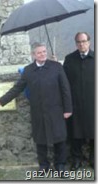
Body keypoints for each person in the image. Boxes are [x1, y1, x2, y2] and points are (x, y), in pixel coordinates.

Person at [0, 42, 72, 177]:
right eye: (39, 52)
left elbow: (65, 89)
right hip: (38, 111)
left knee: (59, 138)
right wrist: (1, 101)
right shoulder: (28, 70)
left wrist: (68, 109)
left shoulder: (56, 66)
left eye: (44, 51)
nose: (42, 54)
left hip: (56, 109)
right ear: (33, 55)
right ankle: (44, 166)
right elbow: (17, 88)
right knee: (40, 140)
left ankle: (60, 165)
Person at [63, 32, 94, 170]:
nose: (81, 44)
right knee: (75, 134)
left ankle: (94, 159)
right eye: (78, 42)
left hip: (94, 104)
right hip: (75, 104)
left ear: (89, 42)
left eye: (84, 41)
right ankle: (76, 160)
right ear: (76, 44)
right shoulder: (69, 59)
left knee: (95, 133)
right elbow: (63, 81)